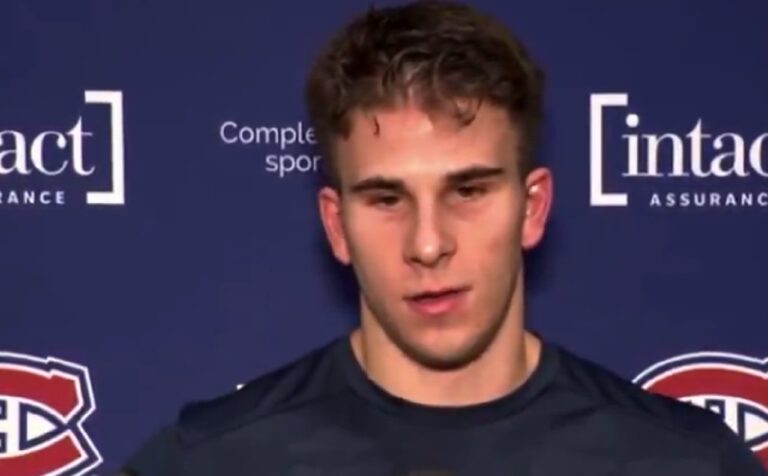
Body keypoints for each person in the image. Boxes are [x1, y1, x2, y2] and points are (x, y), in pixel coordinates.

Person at [119, 1, 767, 474]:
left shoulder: (683, 462)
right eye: (386, 199)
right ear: (336, 226)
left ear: (532, 208)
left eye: (468, 191)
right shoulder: (211, 462)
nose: (427, 245)